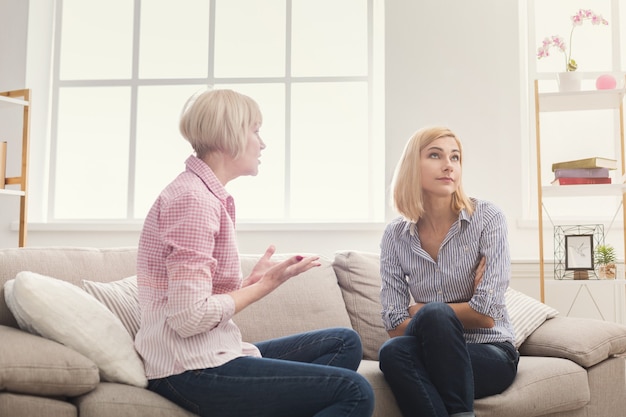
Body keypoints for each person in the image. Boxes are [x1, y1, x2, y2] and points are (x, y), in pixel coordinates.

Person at [135, 88, 374, 417]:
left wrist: (251, 282)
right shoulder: (194, 201)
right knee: (355, 391)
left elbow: (196, 301)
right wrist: (265, 287)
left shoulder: (207, 195)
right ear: (227, 136)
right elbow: (187, 318)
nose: (262, 144)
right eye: (256, 131)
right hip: (188, 370)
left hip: (209, 352)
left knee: (343, 342)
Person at [377, 126, 519, 417]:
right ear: (411, 167)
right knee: (392, 353)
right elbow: (393, 324)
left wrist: (419, 310)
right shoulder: (395, 235)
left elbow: (486, 316)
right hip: (431, 350)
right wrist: (436, 315)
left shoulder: (487, 218)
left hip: (490, 352)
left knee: (433, 314)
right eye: (435, 155)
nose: (448, 166)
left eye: (455, 157)